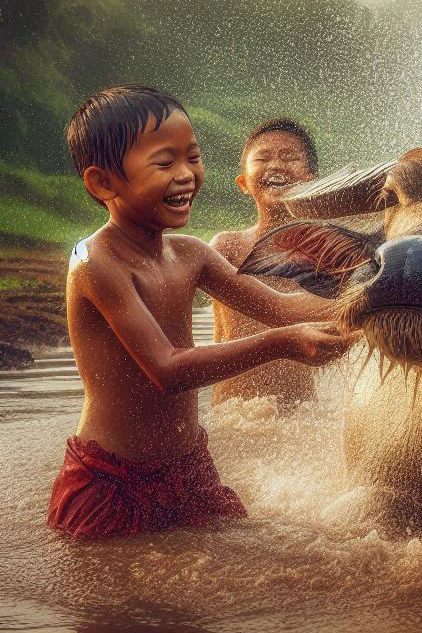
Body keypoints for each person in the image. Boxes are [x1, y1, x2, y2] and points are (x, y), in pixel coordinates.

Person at [48, 85, 353, 540]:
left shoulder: (191, 253)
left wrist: (369, 301)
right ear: (103, 182)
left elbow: (284, 309)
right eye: (165, 162)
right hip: (111, 481)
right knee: (111, 607)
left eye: (192, 157)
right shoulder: (93, 261)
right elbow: (167, 370)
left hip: (190, 470)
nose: (187, 174)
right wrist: (284, 344)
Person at [210, 118, 322, 405]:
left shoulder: (326, 253)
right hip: (233, 410)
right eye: (262, 158)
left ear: (312, 179)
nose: (275, 165)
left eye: (290, 157)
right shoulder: (227, 247)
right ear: (243, 183)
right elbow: (277, 310)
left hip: (301, 410)